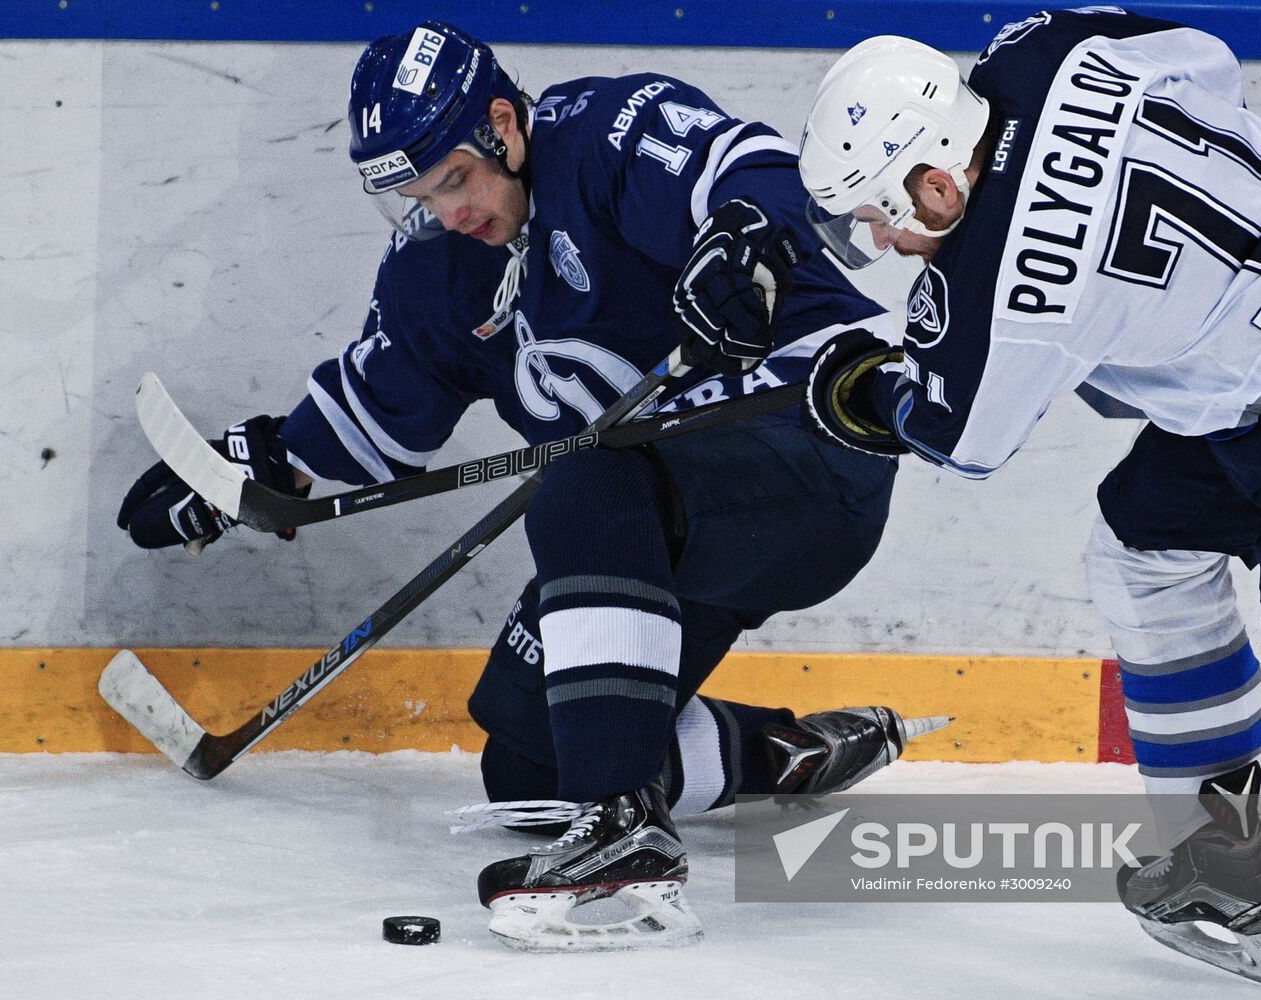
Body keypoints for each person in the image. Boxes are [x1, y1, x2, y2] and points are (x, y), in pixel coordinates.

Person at [115, 20, 948, 951]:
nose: (451, 211)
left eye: (458, 179)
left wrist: (744, 240)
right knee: (525, 756)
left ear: (504, 126)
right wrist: (256, 470)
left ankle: (624, 833)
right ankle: (784, 752)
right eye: (422, 195)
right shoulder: (441, 267)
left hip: (806, 450)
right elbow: (378, 412)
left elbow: (749, 170)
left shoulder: (603, 134)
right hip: (658, 524)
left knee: (581, 484)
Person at [784, 7, 1261, 988]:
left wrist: (850, 385)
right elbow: (1210, 62)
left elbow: (958, 436)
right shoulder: (1040, 49)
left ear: (938, 178)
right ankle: (1214, 849)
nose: (885, 238)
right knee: (1141, 542)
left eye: (881, 210)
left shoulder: (999, 288)